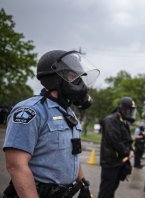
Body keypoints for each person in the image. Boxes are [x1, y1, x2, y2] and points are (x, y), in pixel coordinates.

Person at [3, 50, 99, 197]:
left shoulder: (68, 113)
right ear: (55, 78)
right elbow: (16, 165)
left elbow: (73, 154)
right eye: (73, 77)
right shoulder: (31, 111)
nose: (79, 82)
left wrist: (83, 184)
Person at [98, 97, 136, 198]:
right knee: (105, 192)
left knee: (112, 189)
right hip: (110, 162)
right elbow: (115, 141)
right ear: (122, 109)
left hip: (118, 161)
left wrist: (131, 149)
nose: (130, 113)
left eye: (131, 111)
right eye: (129, 110)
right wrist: (128, 151)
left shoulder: (122, 121)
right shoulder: (110, 120)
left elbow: (127, 139)